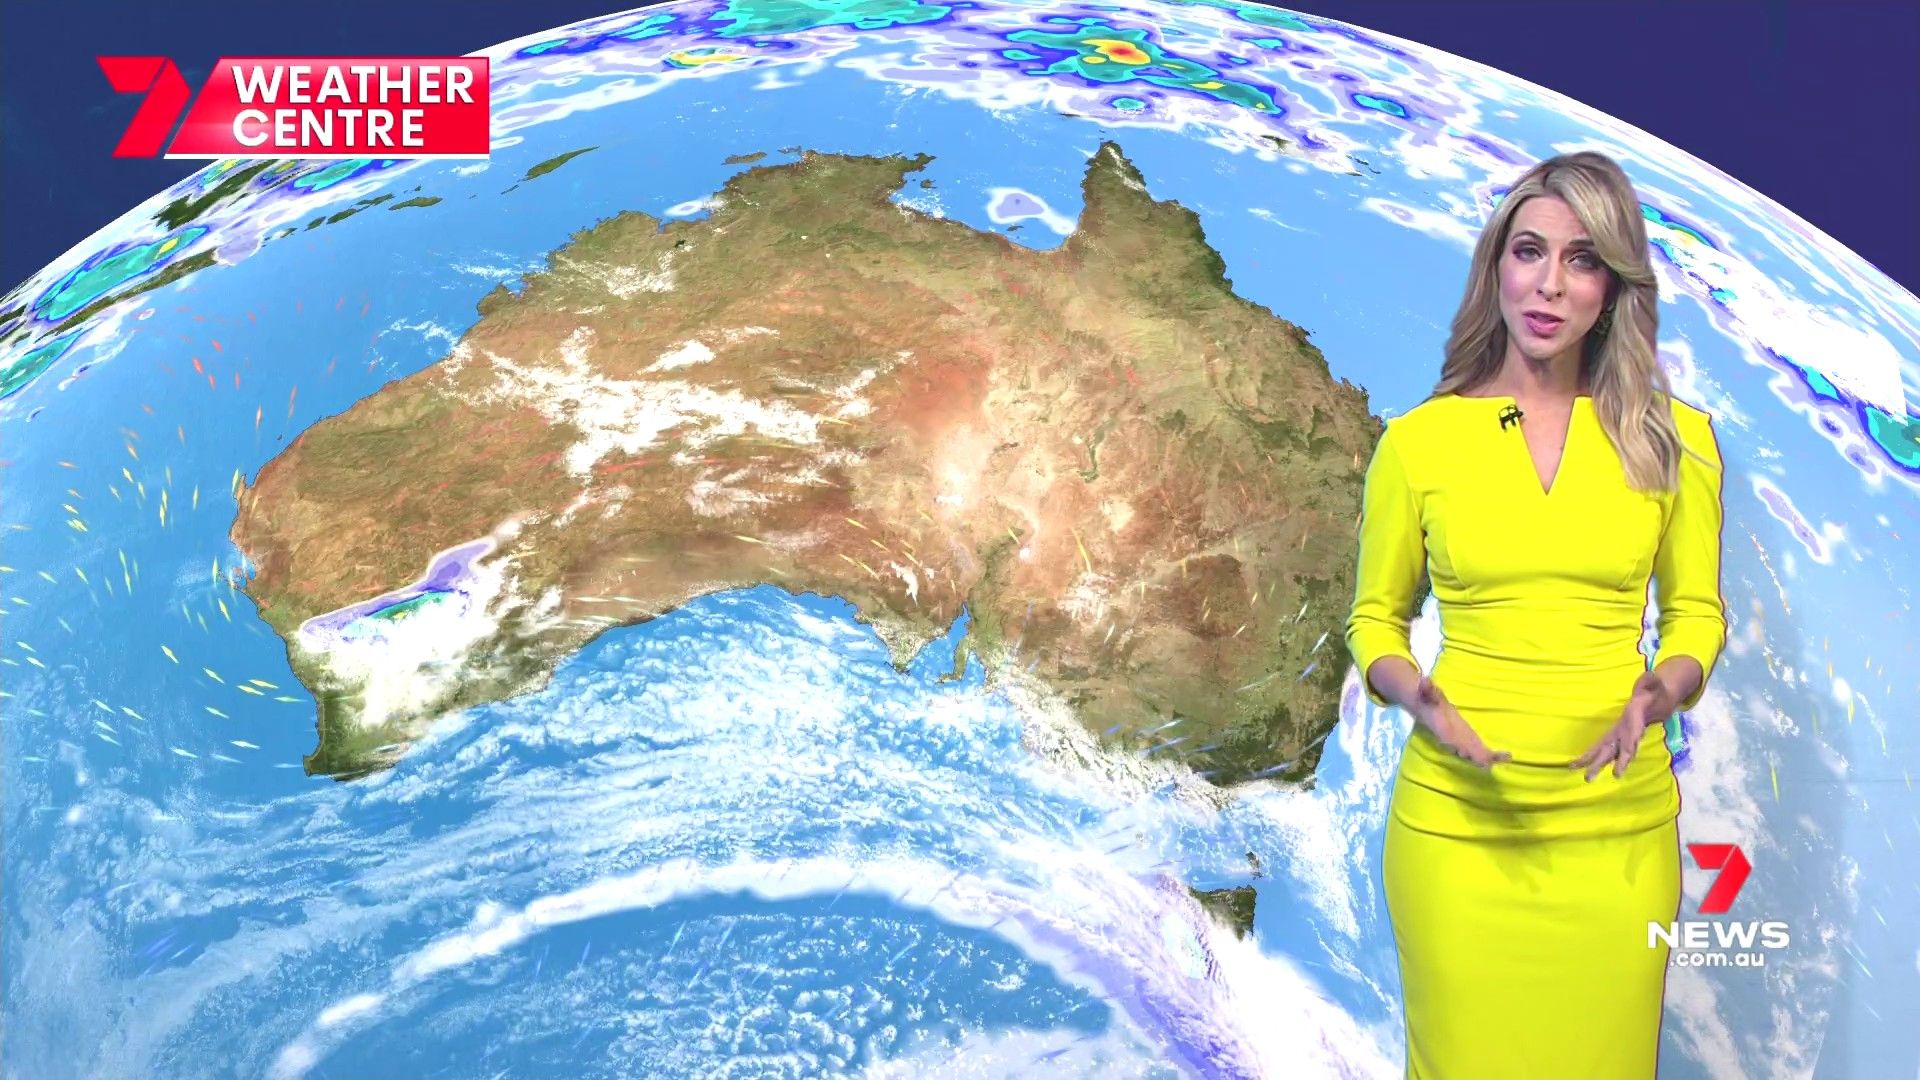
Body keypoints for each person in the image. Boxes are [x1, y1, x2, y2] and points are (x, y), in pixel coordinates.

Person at [1345, 150, 1728, 1079]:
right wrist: (1419, 698)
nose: (1550, 284)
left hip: (1616, 837)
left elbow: (1695, 618)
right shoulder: (1420, 443)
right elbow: (1374, 622)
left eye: (1582, 259)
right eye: (1530, 251)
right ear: (1497, 268)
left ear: (1614, 287)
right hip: (1459, 833)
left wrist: (1656, 696)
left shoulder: (1676, 441)